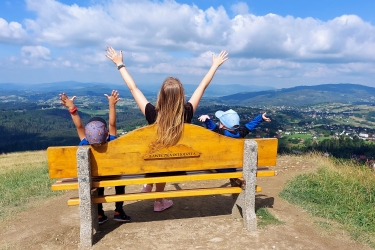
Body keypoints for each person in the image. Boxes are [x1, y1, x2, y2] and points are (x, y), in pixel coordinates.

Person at [106, 46, 228, 212]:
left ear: (161, 96)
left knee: (157, 155)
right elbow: (202, 87)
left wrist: (119, 64)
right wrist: (214, 66)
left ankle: (154, 192)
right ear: (181, 97)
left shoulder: (151, 113)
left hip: (155, 164)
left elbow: (133, 89)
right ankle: (155, 195)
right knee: (164, 157)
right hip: (178, 165)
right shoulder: (187, 112)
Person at [59, 90, 131, 224]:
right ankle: (118, 211)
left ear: (87, 135)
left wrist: (71, 108)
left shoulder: (85, 142)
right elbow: (113, 124)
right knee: (119, 180)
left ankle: (99, 214)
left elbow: (79, 126)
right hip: (111, 174)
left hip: (93, 176)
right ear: (107, 134)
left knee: (96, 181)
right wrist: (112, 105)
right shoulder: (111, 141)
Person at [198, 109, 271, 187]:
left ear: (222, 124)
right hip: (233, 166)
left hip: (219, 167)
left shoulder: (219, 133)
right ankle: (234, 177)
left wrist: (207, 119)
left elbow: (212, 127)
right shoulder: (241, 133)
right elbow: (250, 125)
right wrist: (261, 118)